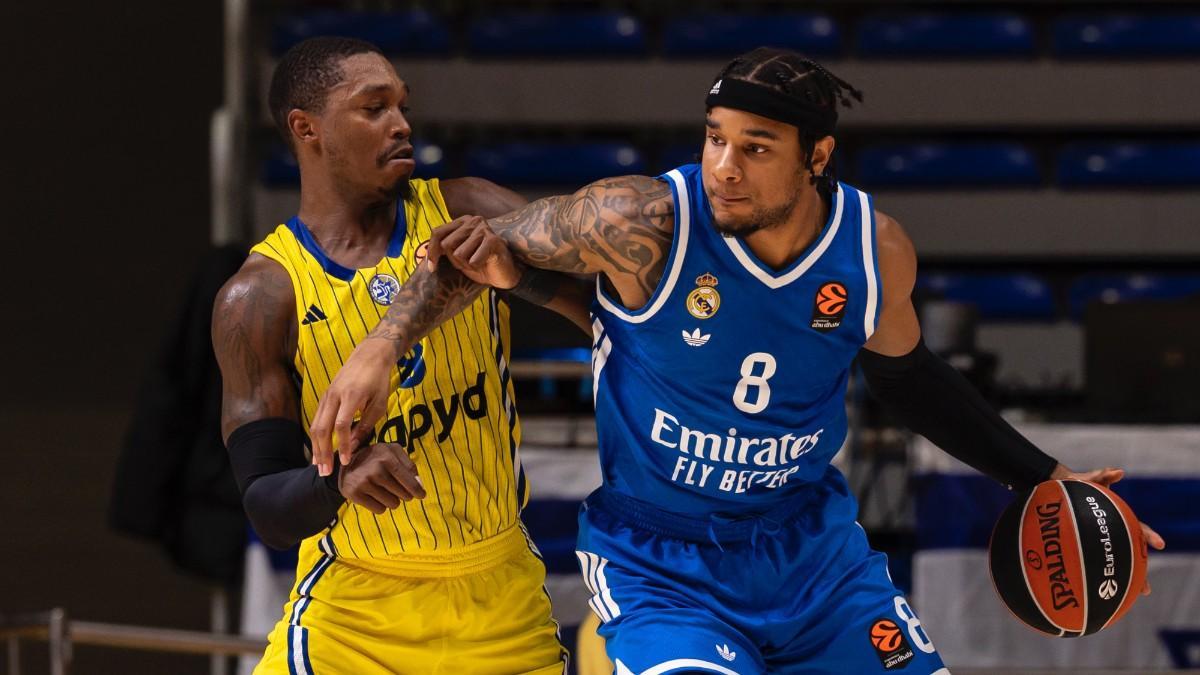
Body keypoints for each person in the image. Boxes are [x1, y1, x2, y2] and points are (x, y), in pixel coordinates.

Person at [309, 48, 1166, 673]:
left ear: (816, 158)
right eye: (715, 138)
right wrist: (380, 348)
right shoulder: (641, 221)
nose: (723, 166)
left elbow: (907, 377)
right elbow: (474, 249)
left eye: (756, 147)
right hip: (662, 563)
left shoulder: (874, 252)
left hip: (812, 555)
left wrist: (1044, 474)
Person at [212, 36, 591, 674]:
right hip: (353, 615)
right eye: (374, 108)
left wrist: (520, 276)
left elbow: (615, 310)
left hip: (500, 599)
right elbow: (267, 507)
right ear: (306, 128)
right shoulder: (260, 295)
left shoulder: (467, 208)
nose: (402, 125)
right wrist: (334, 481)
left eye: (402, 107)